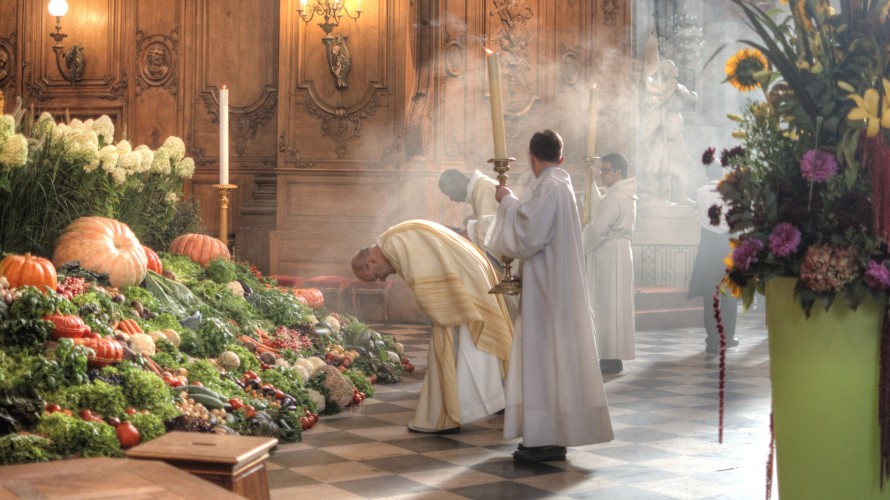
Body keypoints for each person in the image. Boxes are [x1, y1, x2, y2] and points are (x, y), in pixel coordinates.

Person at [486, 129, 613, 463]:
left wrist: (507, 201)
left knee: (543, 359)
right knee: (554, 360)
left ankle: (544, 439)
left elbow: (529, 235)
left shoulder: (551, 187)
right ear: (561, 156)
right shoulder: (561, 184)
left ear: (531, 157)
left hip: (547, 293)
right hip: (554, 288)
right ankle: (551, 434)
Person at [351, 219, 513, 434]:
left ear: (370, 261)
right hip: (469, 275)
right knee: (458, 345)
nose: (384, 277)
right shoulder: (394, 237)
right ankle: (474, 404)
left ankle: (450, 414)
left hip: (465, 280)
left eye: (376, 276)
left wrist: (436, 309)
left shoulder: (395, 243)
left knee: (458, 343)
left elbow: (426, 277)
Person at [582, 153, 637, 374]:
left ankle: (610, 355)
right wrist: (591, 183)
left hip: (611, 252)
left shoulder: (617, 196)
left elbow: (597, 227)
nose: (603, 174)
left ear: (619, 172)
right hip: (617, 251)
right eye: (602, 170)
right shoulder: (619, 193)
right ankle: (611, 354)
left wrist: (579, 246)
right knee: (612, 303)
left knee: (608, 303)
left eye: (605, 170)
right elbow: (598, 209)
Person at [688, 164, 739, 353]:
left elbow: (702, 215)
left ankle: (712, 339)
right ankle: (728, 337)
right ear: (723, 173)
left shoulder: (700, 191)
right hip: (727, 243)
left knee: (711, 294)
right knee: (730, 293)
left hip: (709, 243)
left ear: (707, 174)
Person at [640, 59, 697, 204]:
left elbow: (693, 97)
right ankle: (657, 196)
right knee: (658, 163)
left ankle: (680, 196)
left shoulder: (677, 86)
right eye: (671, 68)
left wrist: (677, 89)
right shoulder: (659, 88)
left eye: (674, 68)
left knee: (681, 163)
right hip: (664, 126)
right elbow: (653, 103)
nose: (675, 70)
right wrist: (666, 93)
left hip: (674, 125)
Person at [438, 168, 499, 251]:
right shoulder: (480, 188)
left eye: (450, 193)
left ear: (458, 182)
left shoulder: (484, 187)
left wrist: (459, 234)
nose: (452, 199)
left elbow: (487, 231)